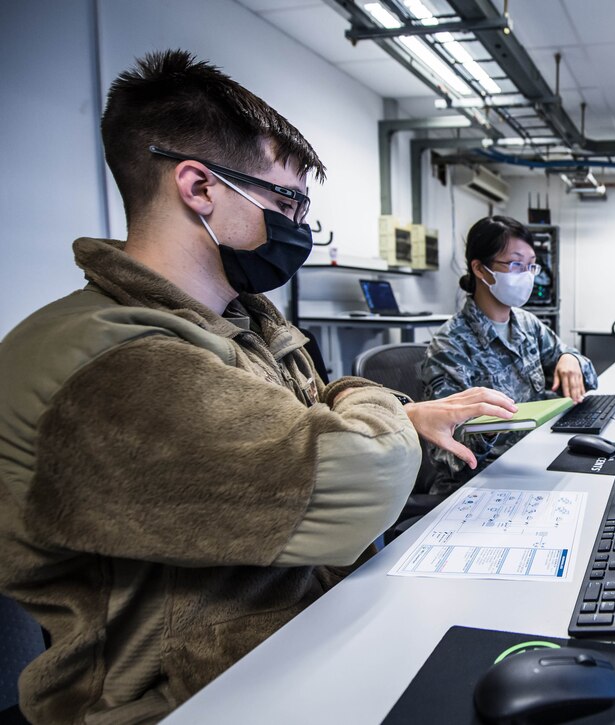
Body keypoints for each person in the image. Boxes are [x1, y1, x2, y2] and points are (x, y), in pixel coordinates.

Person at [0, 50, 515, 724]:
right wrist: (372, 406)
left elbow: (332, 435)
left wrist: (377, 414)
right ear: (199, 187)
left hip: (304, 639)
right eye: (285, 200)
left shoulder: (241, 323)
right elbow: (363, 472)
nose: (299, 224)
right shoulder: (112, 361)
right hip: (193, 699)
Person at [421, 216, 598, 494]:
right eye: (516, 264)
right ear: (480, 269)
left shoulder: (527, 324)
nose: (527, 275)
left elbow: (588, 375)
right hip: (484, 483)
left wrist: (570, 359)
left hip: (537, 458)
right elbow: (449, 455)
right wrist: (487, 428)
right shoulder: (450, 345)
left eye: (531, 266)